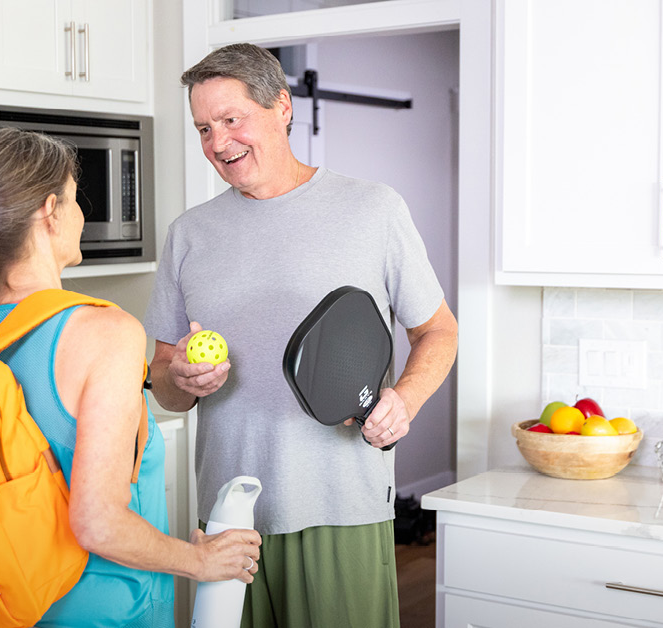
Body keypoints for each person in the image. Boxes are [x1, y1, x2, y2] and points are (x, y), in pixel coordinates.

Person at [144, 44, 459, 627]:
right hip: (229, 518)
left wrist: (404, 399)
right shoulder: (189, 235)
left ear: (282, 107)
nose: (218, 143)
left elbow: (438, 330)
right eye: (204, 128)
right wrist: (179, 377)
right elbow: (163, 383)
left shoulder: (373, 210)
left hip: (341, 504)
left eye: (231, 120)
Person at [0, 127, 262, 628]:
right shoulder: (106, 332)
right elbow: (97, 523)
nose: (81, 214)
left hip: (3, 610)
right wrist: (201, 562)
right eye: (77, 200)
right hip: (101, 614)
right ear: (50, 211)